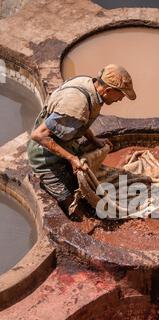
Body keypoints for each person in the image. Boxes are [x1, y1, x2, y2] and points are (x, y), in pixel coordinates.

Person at [27, 64, 136, 217]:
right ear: (108, 91)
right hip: (45, 157)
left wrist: (94, 139)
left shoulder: (91, 87)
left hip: (66, 144)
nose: (121, 99)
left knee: (89, 186)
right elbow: (38, 135)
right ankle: (50, 184)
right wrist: (71, 159)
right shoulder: (75, 104)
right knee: (77, 211)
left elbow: (82, 120)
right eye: (121, 95)